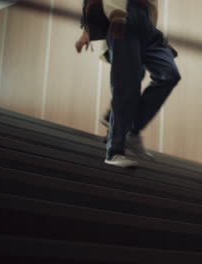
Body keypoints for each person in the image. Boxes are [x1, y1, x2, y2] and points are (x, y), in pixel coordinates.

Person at [76, 0, 180, 168]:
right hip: (121, 12)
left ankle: (132, 130)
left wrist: (159, 38)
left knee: (169, 74)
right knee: (127, 83)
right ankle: (114, 151)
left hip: (145, 20)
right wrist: (89, 28)